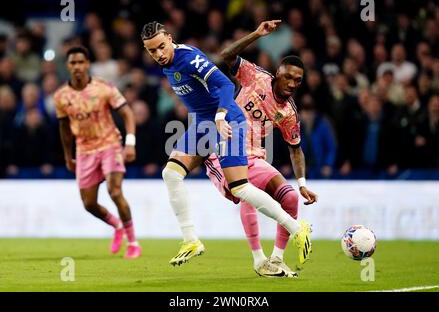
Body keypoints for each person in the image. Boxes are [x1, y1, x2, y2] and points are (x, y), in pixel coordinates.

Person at [141, 21, 312, 273]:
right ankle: (191, 240)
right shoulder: (168, 63)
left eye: (161, 47)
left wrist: (221, 116)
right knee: (170, 173)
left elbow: (225, 85)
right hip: (202, 122)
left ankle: (297, 228)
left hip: (228, 119)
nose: (158, 54)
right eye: (152, 51)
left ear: (170, 37)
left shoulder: (188, 58)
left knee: (241, 188)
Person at [205, 20, 318, 277]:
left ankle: (275, 260)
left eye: (297, 80)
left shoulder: (288, 113)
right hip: (226, 150)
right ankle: (260, 259)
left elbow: (296, 148)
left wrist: (302, 183)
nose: (291, 83)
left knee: (289, 197)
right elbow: (226, 56)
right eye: (288, 76)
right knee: (248, 190)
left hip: (255, 157)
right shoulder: (255, 76)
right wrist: (256, 33)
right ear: (278, 73)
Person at [54, 46, 141, 259]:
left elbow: (127, 113)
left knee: (115, 191)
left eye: (81, 62)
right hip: (84, 150)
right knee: (89, 204)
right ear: (67, 66)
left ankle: (133, 242)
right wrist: (68, 156)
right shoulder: (61, 97)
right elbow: (64, 128)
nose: (77, 67)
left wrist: (130, 143)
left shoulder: (104, 88)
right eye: (73, 63)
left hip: (110, 144)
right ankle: (117, 225)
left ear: (88, 64)